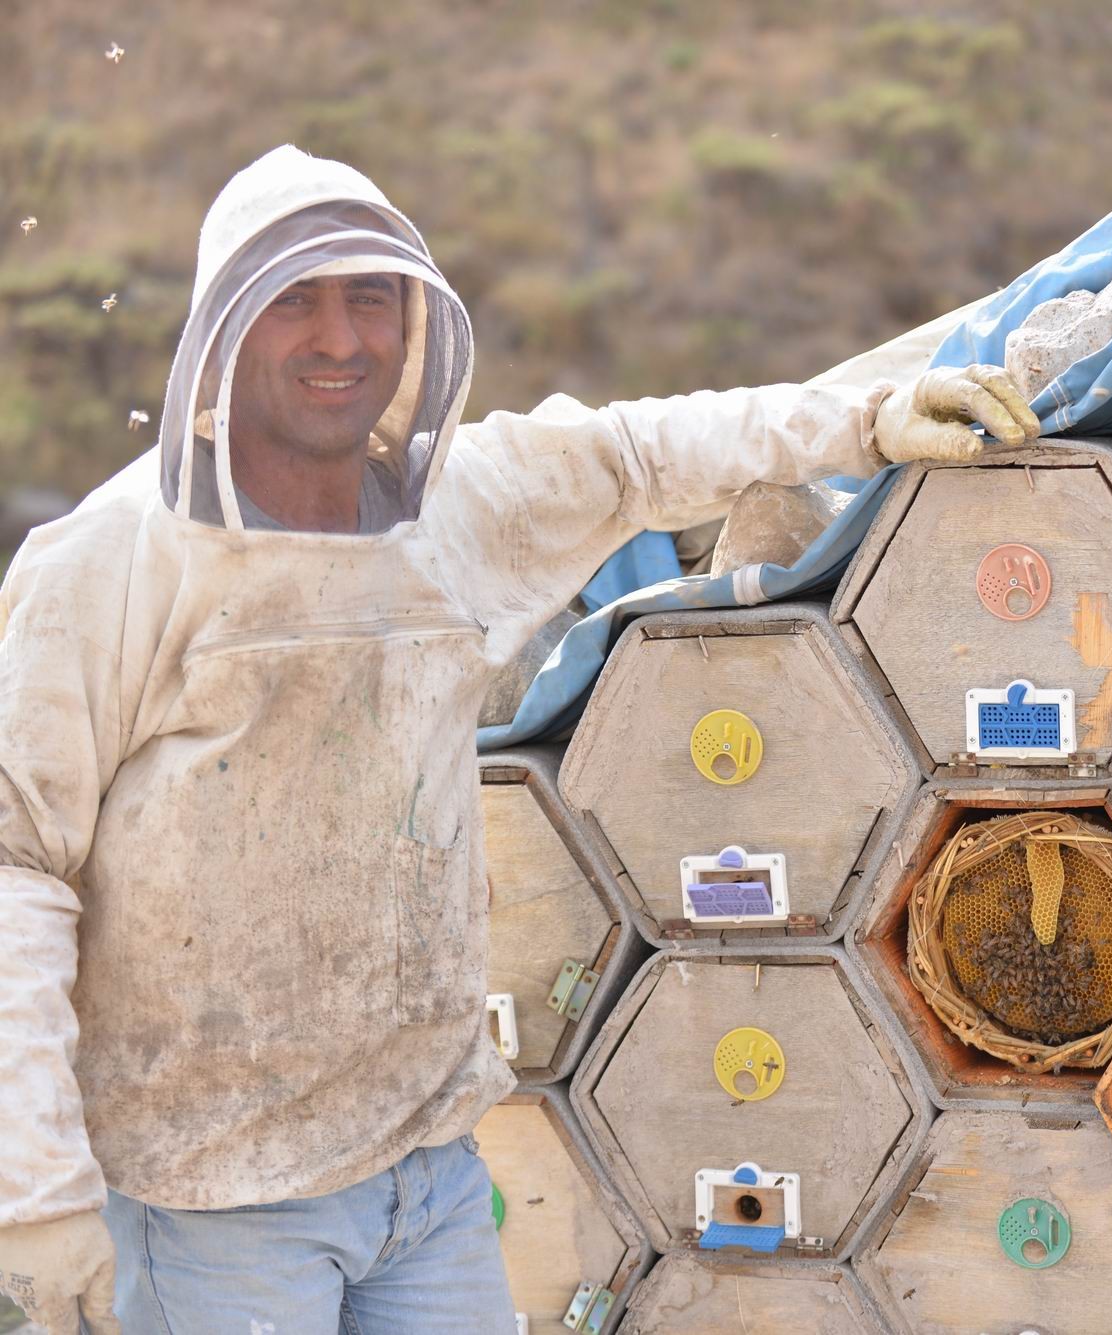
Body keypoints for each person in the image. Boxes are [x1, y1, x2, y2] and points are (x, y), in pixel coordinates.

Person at [0, 145, 1039, 1332]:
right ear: (223, 328)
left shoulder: (453, 506)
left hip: (424, 1172)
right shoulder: (113, 559)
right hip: (210, 1202)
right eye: (294, 299)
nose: (338, 339)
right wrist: (34, 1201)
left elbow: (636, 455)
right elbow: (17, 867)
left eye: (368, 298)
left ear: (415, 323)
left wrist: (866, 419)